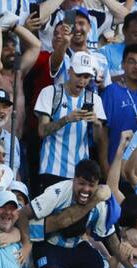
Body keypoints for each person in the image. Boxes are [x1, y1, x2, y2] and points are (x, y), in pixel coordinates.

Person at [35, 51, 107, 188]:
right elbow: (42, 131)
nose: (82, 81)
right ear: (69, 71)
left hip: (80, 175)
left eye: (86, 76)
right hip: (51, 170)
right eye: (79, 75)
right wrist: (66, 119)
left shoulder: (94, 99)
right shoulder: (50, 92)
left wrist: (96, 124)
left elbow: (99, 142)